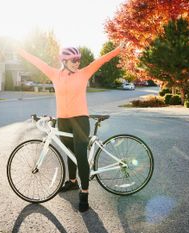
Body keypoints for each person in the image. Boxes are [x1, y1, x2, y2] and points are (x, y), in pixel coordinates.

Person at [18, 43, 123, 212]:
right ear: (64, 61)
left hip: (80, 119)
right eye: (74, 60)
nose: (77, 63)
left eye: (78, 59)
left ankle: (85, 193)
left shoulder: (84, 73)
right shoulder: (54, 74)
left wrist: (118, 49)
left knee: (80, 154)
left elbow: (100, 60)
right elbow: (38, 62)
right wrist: (21, 51)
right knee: (69, 151)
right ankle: (73, 182)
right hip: (63, 120)